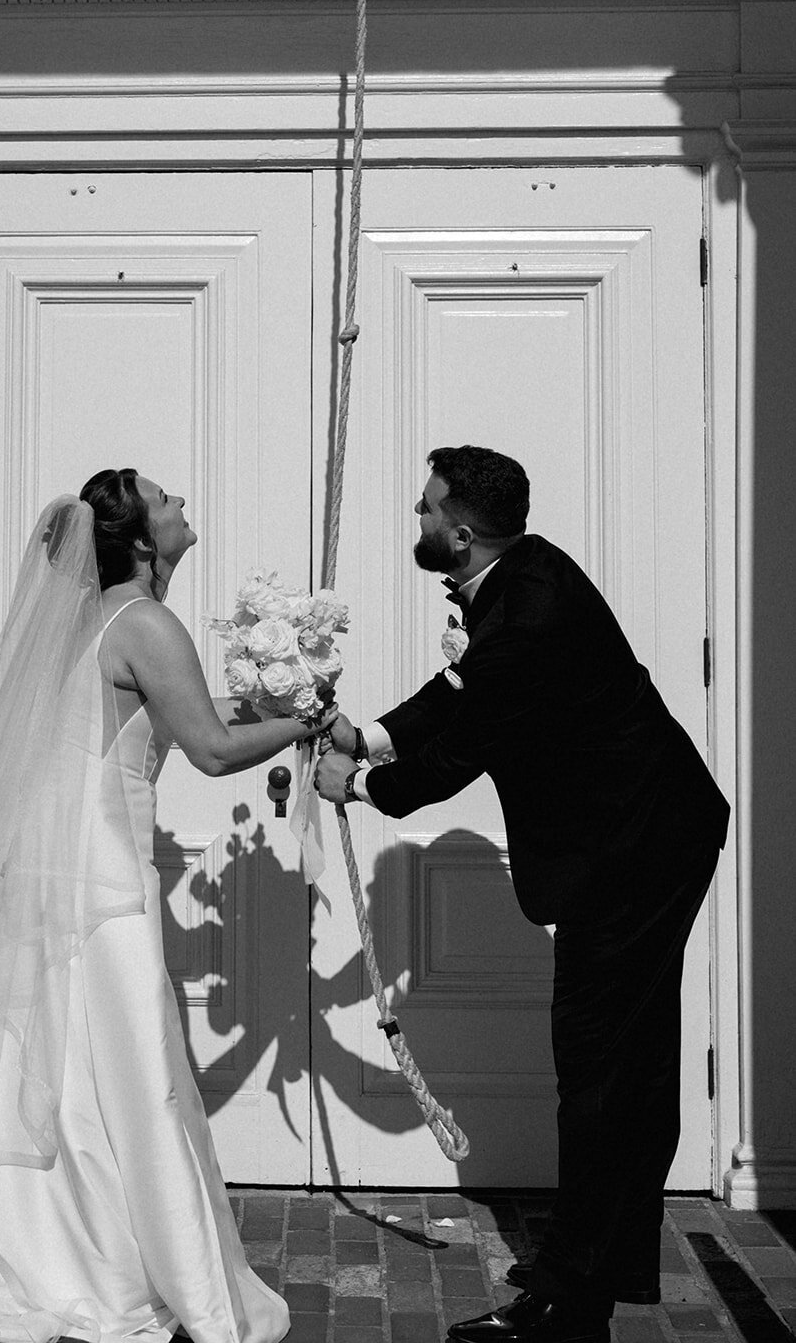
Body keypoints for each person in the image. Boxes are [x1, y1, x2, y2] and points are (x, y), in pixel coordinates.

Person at [0, 469, 332, 1343]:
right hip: (99, 872)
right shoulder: (146, 621)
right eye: (167, 501)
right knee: (131, 1068)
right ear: (136, 538)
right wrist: (307, 722)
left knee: (68, 1061)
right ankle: (123, 1266)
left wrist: (275, 701)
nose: (181, 505)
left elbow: (187, 712)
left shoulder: (91, 624)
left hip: (60, 865)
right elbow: (207, 745)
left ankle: (47, 1246)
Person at [315, 445, 729, 1343]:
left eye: (425, 511)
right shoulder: (523, 569)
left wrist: (357, 785)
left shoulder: (531, 610)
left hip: (637, 850)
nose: (417, 522)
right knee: (623, 1061)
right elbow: (460, 688)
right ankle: (601, 1256)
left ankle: (569, 1299)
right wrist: (371, 732)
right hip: (637, 838)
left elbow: (466, 747)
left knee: (597, 1067)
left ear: (460, 532)